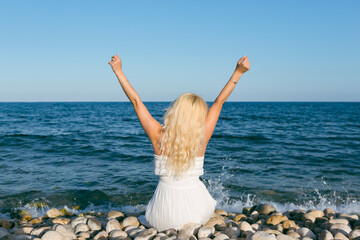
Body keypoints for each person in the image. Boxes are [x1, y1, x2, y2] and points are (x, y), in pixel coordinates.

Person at [108, 54, 250, 231]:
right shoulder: (201, 137)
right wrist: (238, 72)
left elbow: (136, 102)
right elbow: (219, 102)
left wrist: (118, 71)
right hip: (196, 214)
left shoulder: (159, 135)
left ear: (176, 111)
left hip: (160, 218)